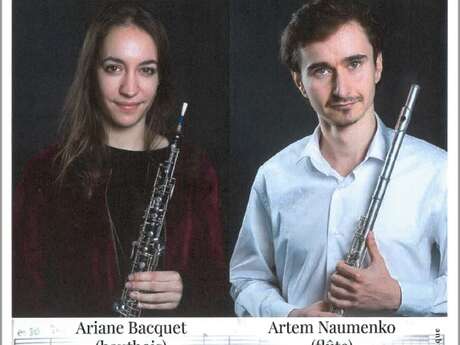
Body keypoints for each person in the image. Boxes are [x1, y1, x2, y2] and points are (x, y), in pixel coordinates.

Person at [230, 0, 446, 317]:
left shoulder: (437, 171)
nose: (342, 89)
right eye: (321, 70)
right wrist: (290, 317)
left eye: (354, 63)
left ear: (378, 66)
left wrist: (398, 295)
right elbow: (246, 280)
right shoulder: (273, 176)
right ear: (299, 82)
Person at [13, 1, 228, 317]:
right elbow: (23, 298)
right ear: (91, 72)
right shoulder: (45, 173)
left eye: (146, 70)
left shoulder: (193, 169)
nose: (130, 88)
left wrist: (186, 289)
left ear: (159, 78)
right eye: (114, 68)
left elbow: (220, 291)